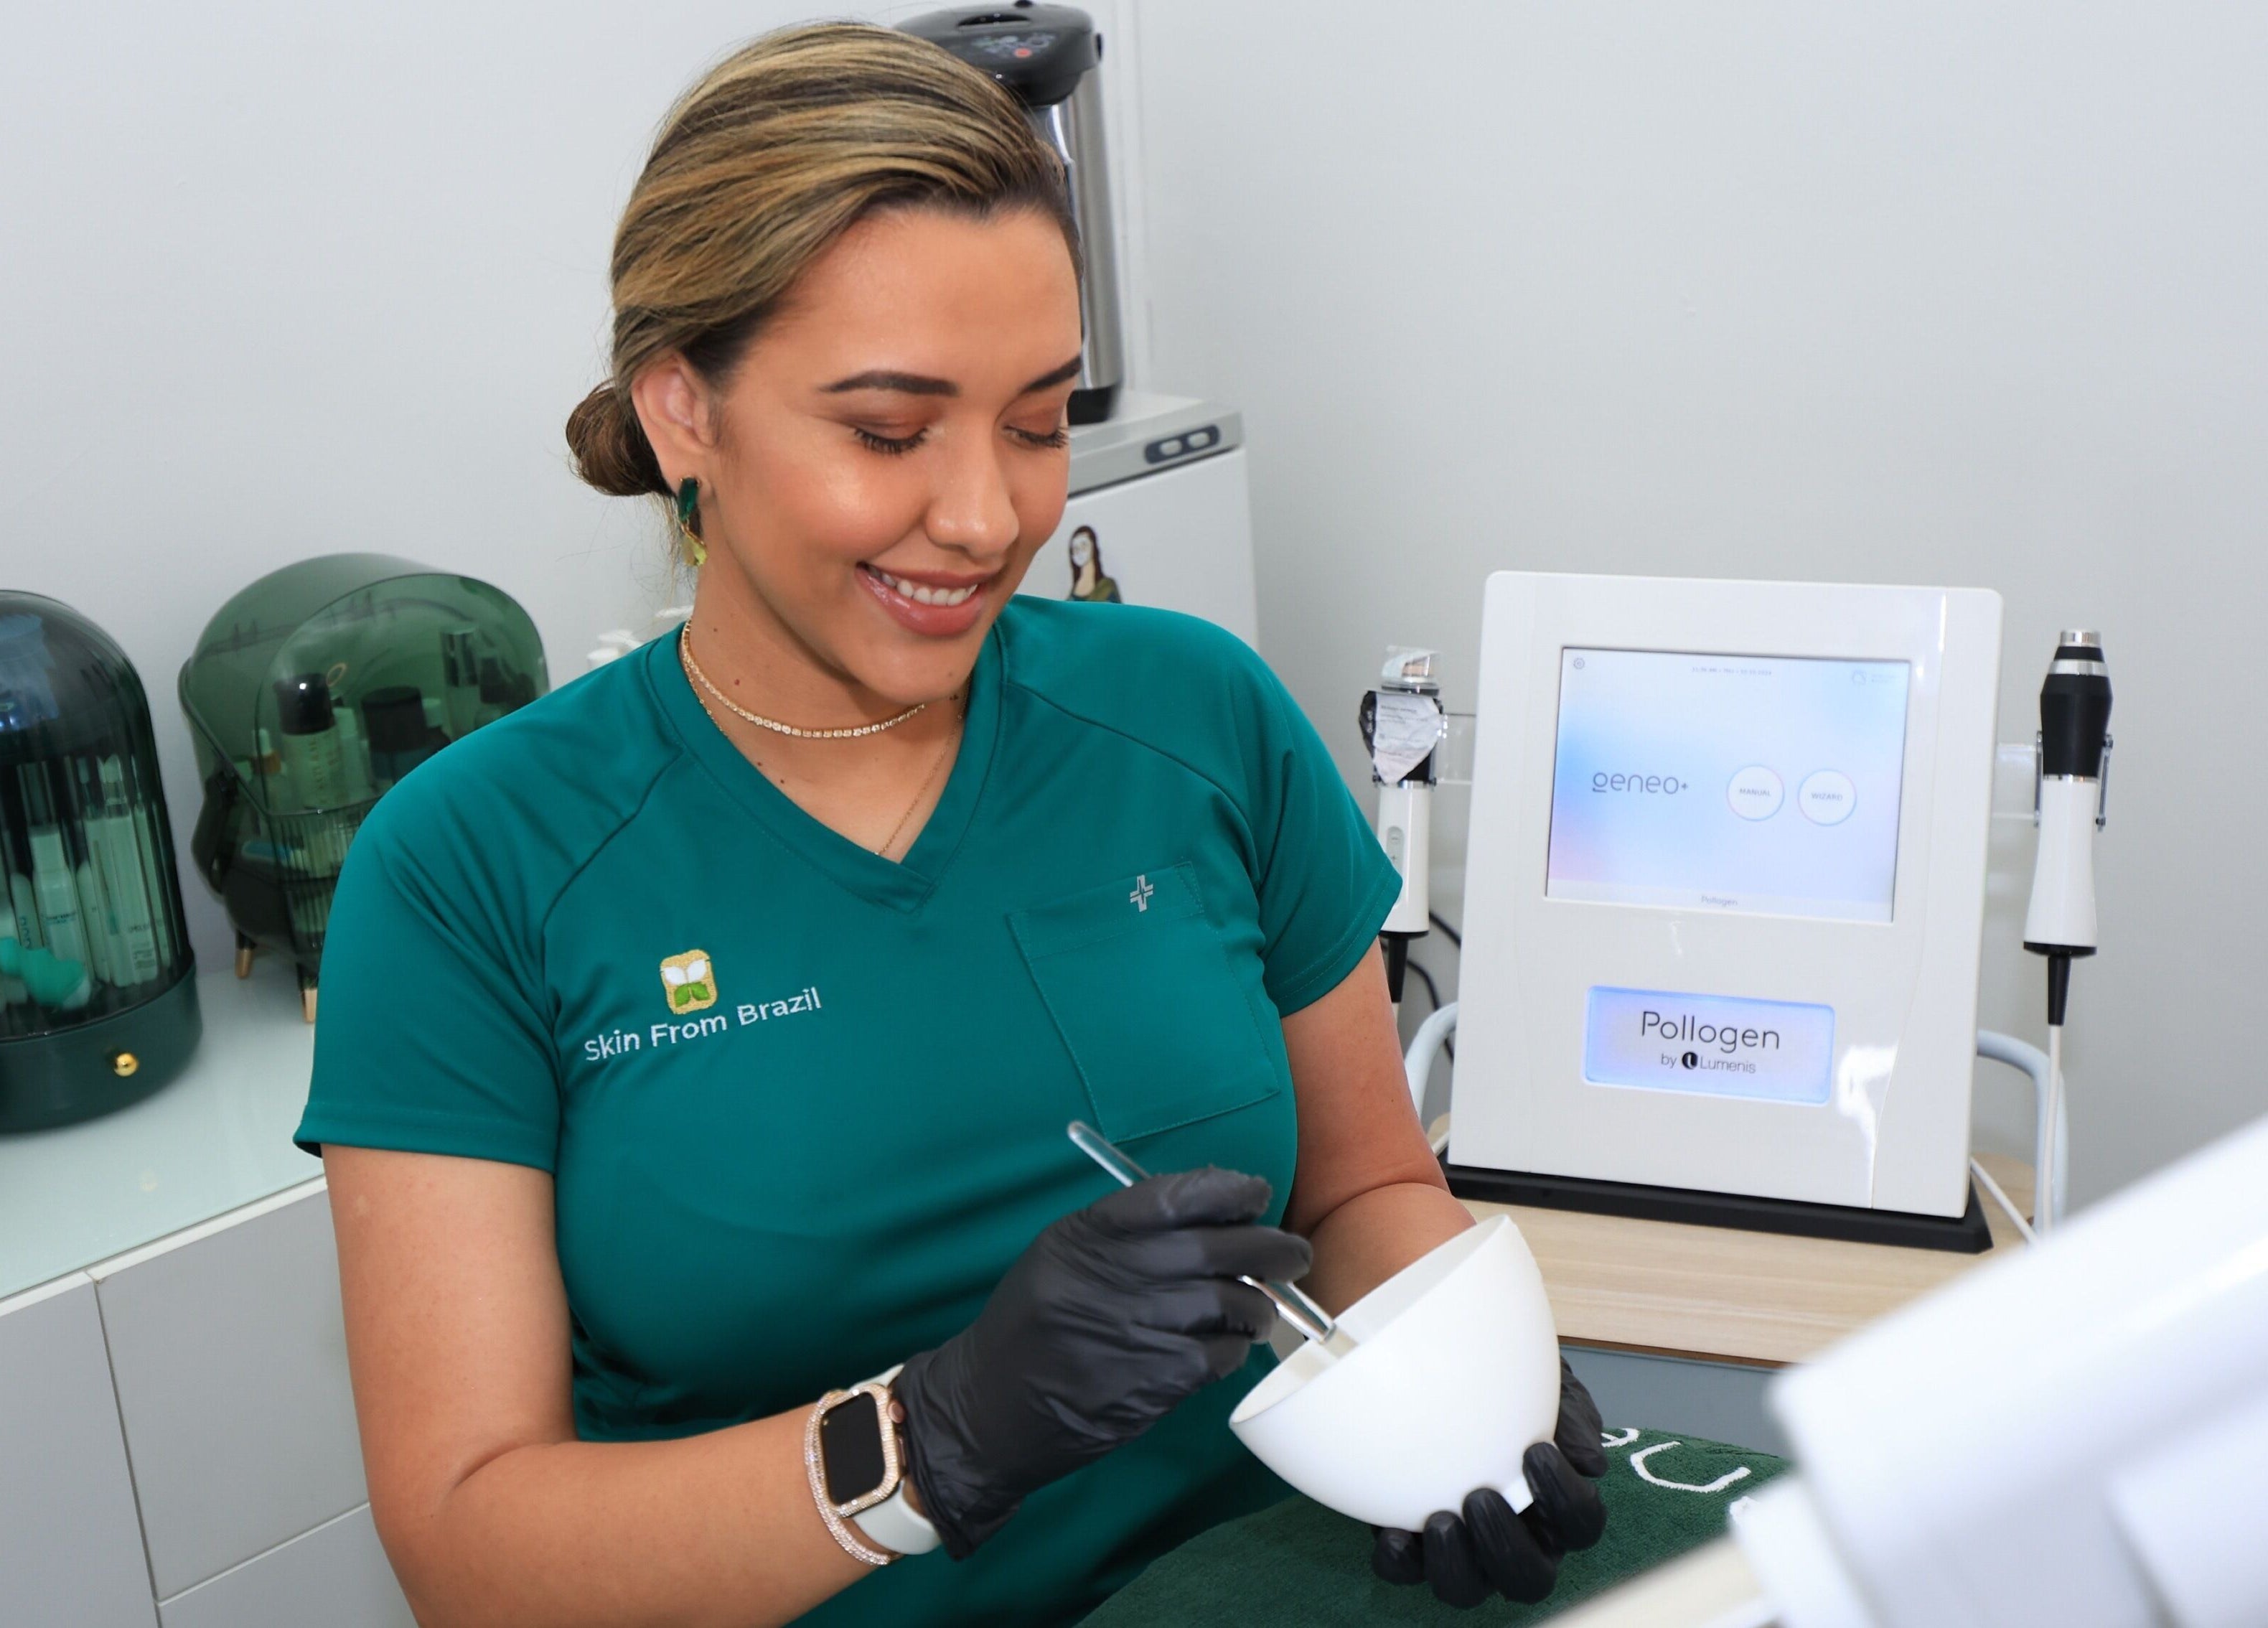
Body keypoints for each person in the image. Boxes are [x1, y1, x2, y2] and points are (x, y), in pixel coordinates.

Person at [297, 24, 1604, 1627]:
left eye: (1037, 422)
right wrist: (924, 1446)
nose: (989, 517)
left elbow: (1358, 1193)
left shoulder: (1193, 716)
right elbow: (471, 1550)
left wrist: (1465, 1388)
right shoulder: (469, 870)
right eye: (887, 431)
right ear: (680, 415)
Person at [1065, 525, 1121, 603]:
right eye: (1075, 549)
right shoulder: (1073, 591)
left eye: (1084, 546)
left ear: (1093, 546)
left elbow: (1117, 613)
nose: (1079, 552)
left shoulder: (1107, 586)